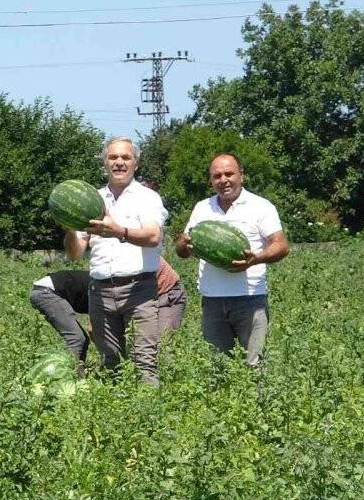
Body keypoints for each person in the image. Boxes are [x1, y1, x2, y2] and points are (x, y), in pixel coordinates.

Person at [63, 136, 168, 385]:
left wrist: (119, 231)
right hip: (100, 291)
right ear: (105, 162)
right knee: (110, 363)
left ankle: (149, 418)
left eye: (125, 157)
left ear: (136, 163)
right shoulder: (92, 200)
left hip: (139, 290)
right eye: (113, 157)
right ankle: (116, 420)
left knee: (144, 362)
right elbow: (75, 252)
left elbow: (153, 236)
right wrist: (68, 229)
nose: (119, 162)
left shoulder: (148, 198)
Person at [175, 153, 290, 365]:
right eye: (217, 176)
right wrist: (182, 244)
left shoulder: (261, 206)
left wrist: (256, 258)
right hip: (212, 300)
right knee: (219, 367)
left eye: (229, 174)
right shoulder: (202, 208)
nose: (223, 180)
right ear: (211, 180)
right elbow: (184, 252)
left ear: (241, 176)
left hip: (250, 299)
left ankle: (257, 399)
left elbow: (282, 246)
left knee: (254, 364)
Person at [140, 178, 188, 336]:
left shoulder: (146, 228)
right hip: (143, 298)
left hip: (167, 293)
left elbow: (154, 237)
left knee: (163, 345)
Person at [29, 270, 91, 364]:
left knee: (81, 339)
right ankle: (69, 375)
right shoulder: (103, 291)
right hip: (46, 292)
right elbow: (92, 329)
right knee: (76, 338)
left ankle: (78, 373)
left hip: (47, 289)